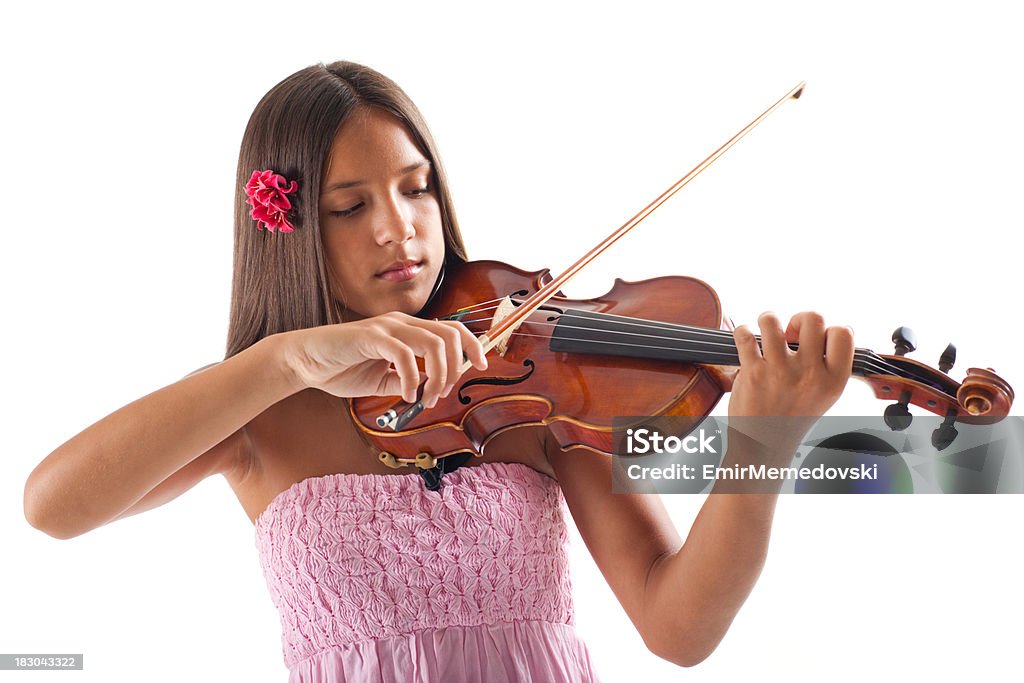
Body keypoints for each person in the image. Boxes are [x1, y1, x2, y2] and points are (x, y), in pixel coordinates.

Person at [23, 60, 855, 682]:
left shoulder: (529, 383)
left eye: (417, 190)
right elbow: (53, 507)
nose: (400, 228)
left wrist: (764, 437)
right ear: (287, 226)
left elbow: (679, 626)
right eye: (352, 206)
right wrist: (284, 360)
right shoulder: (257, 415)